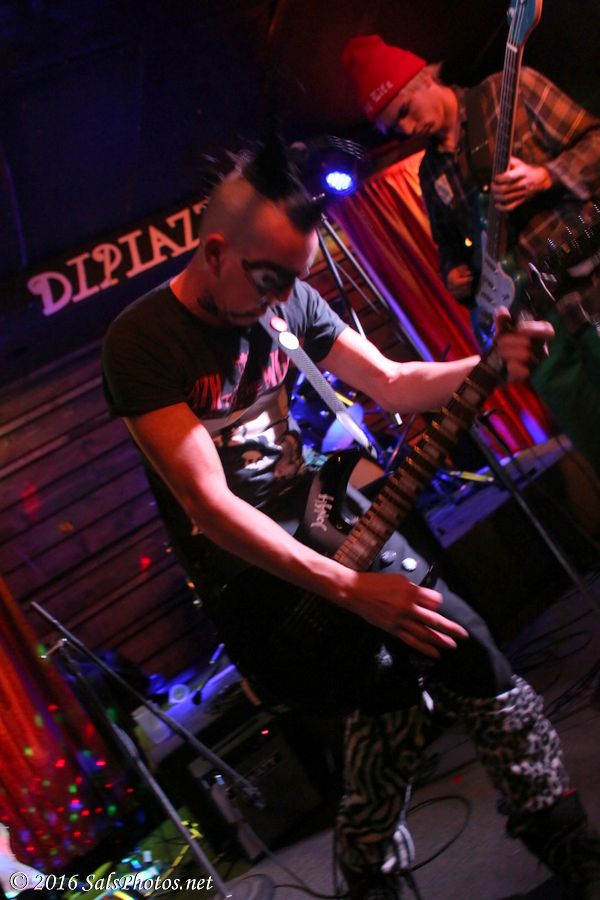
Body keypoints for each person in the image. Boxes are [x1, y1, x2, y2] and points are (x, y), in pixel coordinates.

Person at [102, 146, 599, 899]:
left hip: (326, 519)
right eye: (270, 281)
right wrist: (351, 591)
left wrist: (488, 365)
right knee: (387, 696)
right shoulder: (142, 340)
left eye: (294, 281)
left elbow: (392, 382)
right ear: (216, 252)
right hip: (255, 573)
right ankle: (370, 870)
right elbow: (211, 507)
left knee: (467, 654)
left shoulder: (288, 298)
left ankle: (561, 843)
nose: (284, 299)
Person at [342, 34, 600, 478]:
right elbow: (450, 248)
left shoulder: (508, 91)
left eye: (404, 110)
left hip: (588, 286)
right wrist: (455, 276)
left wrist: (544, 176)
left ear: (424, 78)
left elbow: (595, 141)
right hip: (538, 332)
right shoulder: (431, 172)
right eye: (394, 127)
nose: (407, 128)